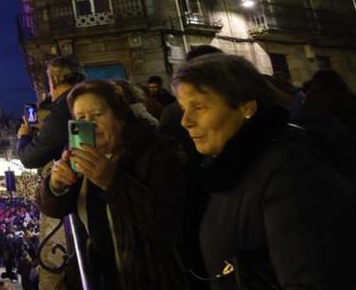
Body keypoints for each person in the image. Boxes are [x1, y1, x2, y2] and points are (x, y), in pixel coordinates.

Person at [173, 54, 356, 288]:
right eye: (183, 108)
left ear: (246, 107)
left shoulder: (289, 171)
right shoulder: (219, 170)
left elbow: (314, 275)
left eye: (199, 107)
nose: (185, 121)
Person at [37, 80, 189, 290]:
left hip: (150, 278)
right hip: (100, 277)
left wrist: (112, 181)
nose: (90, 124)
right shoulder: (79, 154)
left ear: (120, 117)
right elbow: (54, 208)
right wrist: (56, 186)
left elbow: (170, 221)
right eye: (81, 118)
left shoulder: (157, 150)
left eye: (98, 115)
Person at [17, 55, 86, 168]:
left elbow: (29, 159)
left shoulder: (60, 113)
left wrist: (24, 137)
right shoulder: (88, 98)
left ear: (53, 81)